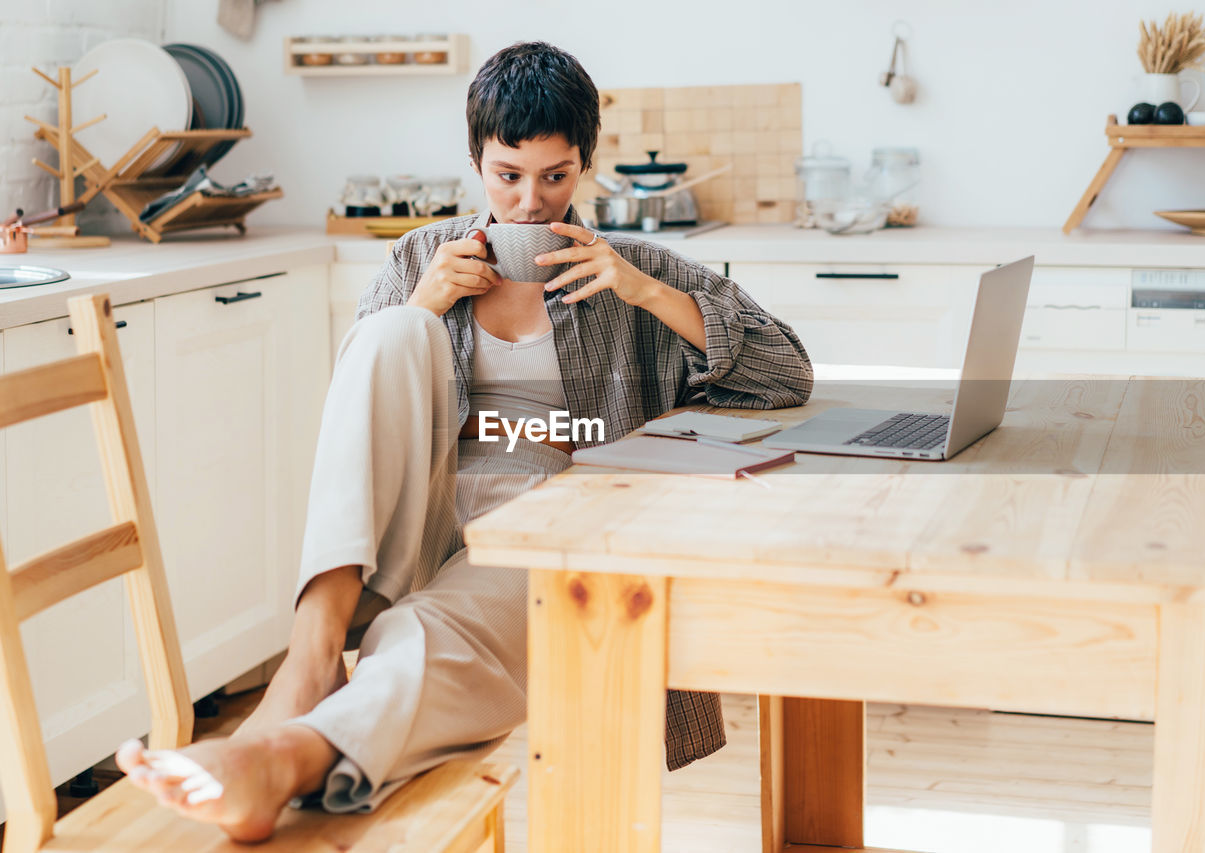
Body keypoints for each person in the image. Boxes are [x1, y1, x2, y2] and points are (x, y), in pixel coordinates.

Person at [115, 40, 813, 841]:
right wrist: (421, 304)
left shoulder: (634, 267)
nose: (528, 204)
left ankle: (285, 755)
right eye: (507, 176)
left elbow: (785, 369)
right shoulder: (421, 255)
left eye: (555, 177)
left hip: (546, 514)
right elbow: (361, 404)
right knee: (388, 336)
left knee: (419, 633)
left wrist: (645, 291)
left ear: (585, 164)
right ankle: (309, 656)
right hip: (415, 515)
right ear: (476, 162)